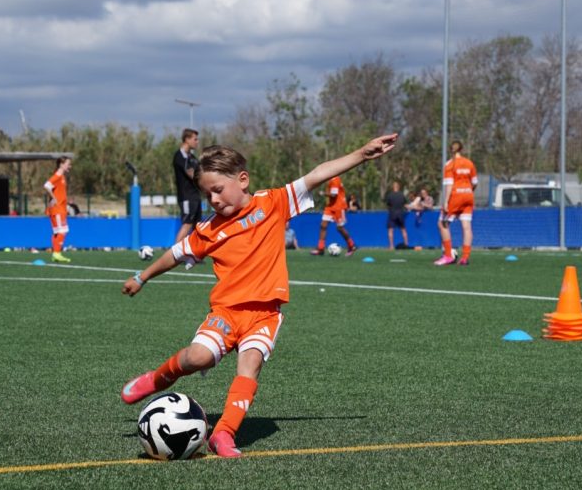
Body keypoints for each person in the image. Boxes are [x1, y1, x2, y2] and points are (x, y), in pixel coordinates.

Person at [121, 132, 398, 457]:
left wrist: (362, 154)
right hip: (225, 313)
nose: (214, 200)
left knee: (249, 366)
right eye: (207, 194)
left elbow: (317, 174)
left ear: (242, 179)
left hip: (265, 314)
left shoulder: (273, 202)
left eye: (218, 190)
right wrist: (143, 276)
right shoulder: (209, 230)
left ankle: (223, 434)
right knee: (197, 358)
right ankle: (157, 378)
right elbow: (175, 254)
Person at [436, 140, 477, 266]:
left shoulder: (450, 164)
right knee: (466, 226)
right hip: (468, 195)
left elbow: (449, 185)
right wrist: (469, 191)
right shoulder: (469, 163)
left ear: (450, 150)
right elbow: (475, 182)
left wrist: (446, 202)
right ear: (462, 150)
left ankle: (448, 255)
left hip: (456, 196)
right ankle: (465, 258)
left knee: (442, 223)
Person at [311, 174, 357, 256]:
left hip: (339, 207)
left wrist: (322, 193)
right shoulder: (331, 179)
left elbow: (334, 194)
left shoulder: (335, 179)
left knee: (340, 228)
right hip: (330, 207)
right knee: (323, 225)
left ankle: (352, 245)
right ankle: (320, 248)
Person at [173, 129, 201, 244]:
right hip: (186, 197)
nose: (197, 142)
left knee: (197, 225)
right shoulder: (179, 156)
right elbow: (192, 174)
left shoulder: (192, 157)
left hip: (195, 196)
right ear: (187, 139)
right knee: (187, 223)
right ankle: (174, 255)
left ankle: (194, 256)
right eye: (195, 139)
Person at [44, 156, 72, 263]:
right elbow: (47, 185)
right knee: (62, 231)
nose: (70, 166)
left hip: (60, 208)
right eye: (68, 164)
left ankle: (56, 253)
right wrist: (54, 199)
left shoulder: (62, 176)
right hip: (57, 209)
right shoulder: (58, 175)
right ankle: (56, 253)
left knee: (58, 232)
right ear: (61, 164)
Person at [385, 181, 409, 250]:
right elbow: (405, 204)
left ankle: (391, 246)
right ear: (398, 187)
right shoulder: (402, 195)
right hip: (400, 214)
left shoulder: (390, 195)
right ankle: (406, 244)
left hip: (392, 214)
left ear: (393, 187)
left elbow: (388, 204)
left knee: (390, 230)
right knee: (403, 229)